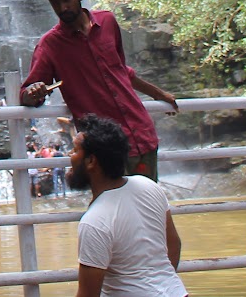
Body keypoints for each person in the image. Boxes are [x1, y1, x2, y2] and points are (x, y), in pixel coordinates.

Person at [19, 0, 178, 180]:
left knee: (150, 207)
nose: (62, 7)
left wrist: (157, 93)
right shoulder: (50, 45)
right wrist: (33, 92)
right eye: (55, 2)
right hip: (103, 148)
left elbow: (121, 70)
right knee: (115, 210)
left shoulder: (108, 22)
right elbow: (28, 94)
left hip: (140, 133)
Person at [66, 113, 186, 297]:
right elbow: (174, 245)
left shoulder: (94, 222)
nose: (70, 155)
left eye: (74, 150)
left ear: (91, 161)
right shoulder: (148, 186)